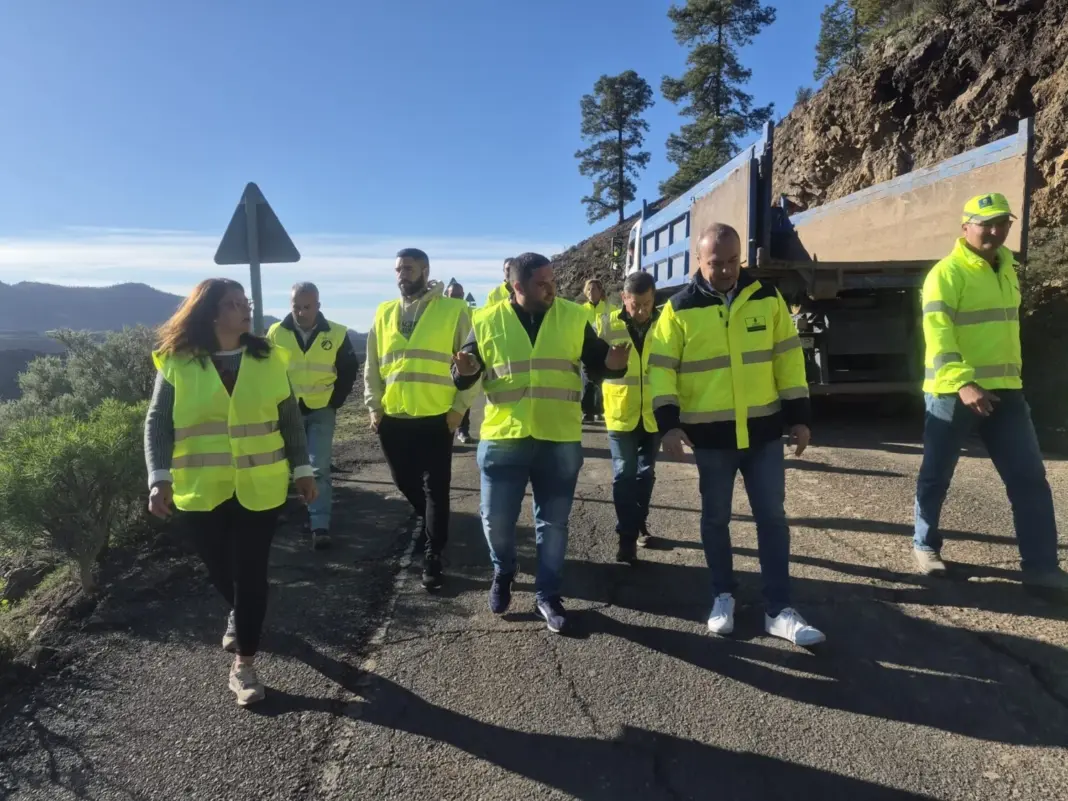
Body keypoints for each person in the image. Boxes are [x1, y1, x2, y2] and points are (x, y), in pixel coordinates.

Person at [648, 223, 825, 647]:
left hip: (763, 435)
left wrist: (799, 416)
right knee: (715, 520)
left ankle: (779, 610)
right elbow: (661, 371)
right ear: (699, 260)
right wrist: (669, 425)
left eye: (732, 262)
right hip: (711, 440)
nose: (726, 271)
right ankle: (722, 596)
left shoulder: (767, 298)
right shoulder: (678, 308)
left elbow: (788, 359)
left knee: (773, 522)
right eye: (716, 264)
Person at [144, 278, 318, 706]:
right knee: (222, 570)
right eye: (234, 303)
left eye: (247, 302)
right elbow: (158, 423)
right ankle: (239, 612)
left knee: (251, 574)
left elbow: (290, 420)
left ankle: (244, 664)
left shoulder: (269, 358)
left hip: (261, 484)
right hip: (202, 487)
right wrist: (158, 477)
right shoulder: (178, 361)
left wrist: (303, 470)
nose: (245, 309)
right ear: (211, 313)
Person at [452, 253, 630, 633]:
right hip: (503, 438)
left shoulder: (572, 316)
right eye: (542, 283)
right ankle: (504, 571)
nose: (552, 287)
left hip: (558, 438)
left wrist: (614, 363)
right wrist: (463, 372)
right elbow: (466, 366)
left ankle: (548, 594)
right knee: (495, 521)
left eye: (553, 280)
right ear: (517, 286)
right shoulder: (486, 320)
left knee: (554, 524)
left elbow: (598, 363)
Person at [914, 193, 1068, 589]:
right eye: (987, 224)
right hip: (953, 393)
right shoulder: (946, 274)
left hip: (1006, 393)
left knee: (1029, 480)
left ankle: (1042, 569)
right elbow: (938, 336)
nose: (997, 231)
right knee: (937, 476)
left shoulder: (1007, 269)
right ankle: (925, 545)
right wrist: (964, 382)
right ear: (966, 227)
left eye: (1004, 223)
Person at [365, 248, 476, 590]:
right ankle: (433, 524)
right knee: (403, 482)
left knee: (436, 489)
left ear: (425, 271)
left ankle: (433, 554)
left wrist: (460, 407)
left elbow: (474, 366)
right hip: (393, 417)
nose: (402, 274)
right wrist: (374, 405)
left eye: (409, 269)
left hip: (436, 416)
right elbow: (372, 363)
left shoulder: (454, 310)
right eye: (398, 269)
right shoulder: (384, 312)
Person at [266, 282, 360, 550]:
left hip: (321, 409)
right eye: (296, 306)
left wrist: (335, 401)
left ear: (318, 306)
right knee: (280, 465)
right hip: (287, 410)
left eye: (307, 307)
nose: (301, 312)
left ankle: (320, 524)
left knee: (318, 466)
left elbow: (348, 369)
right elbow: (267, 370)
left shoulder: (338, 333)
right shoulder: (276, 332)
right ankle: (280, 514)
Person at [599, 270, 661, 562]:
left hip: (653, 413)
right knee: (624, 474)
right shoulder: (606, 324)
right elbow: (591, 367)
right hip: (620, 412)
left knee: (645, 474)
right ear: (624, 298)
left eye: (647, 303)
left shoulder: (666, 324)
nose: (641, 310)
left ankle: (638, 520)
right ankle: (627, 537)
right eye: (635, 304)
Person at [445, 280, 474, 445]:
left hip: (463, 360)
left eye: (460, 295)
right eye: (453, 295)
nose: (457, 298)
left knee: (464, 394)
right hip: (442, 364)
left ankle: (463, 430)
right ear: (446, 296)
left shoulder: (470, 313)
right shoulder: (439, 314)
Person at [581, 279, 613, 423]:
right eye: (588, 289)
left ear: (601, 292)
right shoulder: (580, 311)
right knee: (587, 381)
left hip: (604, 349)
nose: (591, 292)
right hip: (586, 349)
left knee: (601, 382)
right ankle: (587, 412)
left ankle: (599, 411)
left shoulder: (609, 309)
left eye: (594, 289)